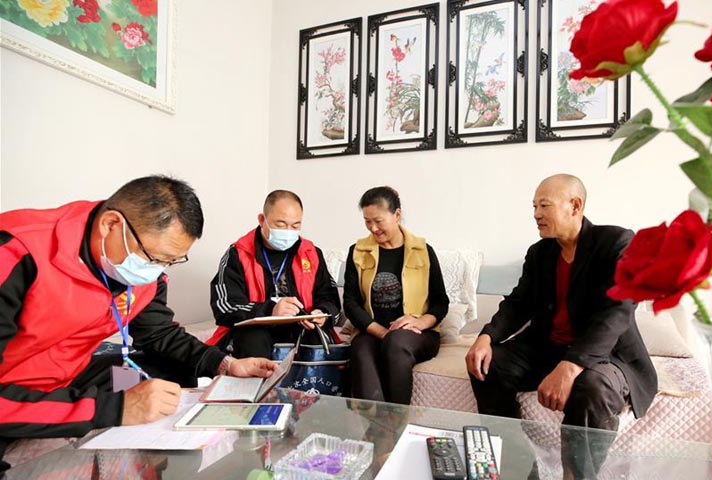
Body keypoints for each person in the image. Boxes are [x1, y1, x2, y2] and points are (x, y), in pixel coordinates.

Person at [0, 176, 278, 470]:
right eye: (155, 259)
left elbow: (159, 333)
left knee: (166, 373)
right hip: (11, 388)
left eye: (171, 261)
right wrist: (118, 409)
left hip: (66, 373)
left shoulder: (139, 271)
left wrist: (225, 364)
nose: (157, 271)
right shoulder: (16, 253)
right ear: (111, 224)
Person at [465, 174, 657, 478]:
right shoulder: (540, 253)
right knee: (488, 366)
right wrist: (486, 336)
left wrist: (571, 366)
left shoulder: (616, 242)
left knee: (592, 388)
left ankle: (575, 475)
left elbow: (617, 312)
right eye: (534, 207)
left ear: (575, 206)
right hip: (546, 346)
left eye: (544, 205)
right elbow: (518, 303)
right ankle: (518, 469)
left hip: (605, 354)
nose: (536, 214)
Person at [343, 186, 449, 405]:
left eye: (378, 221)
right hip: (371, 330)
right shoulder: (358, 251)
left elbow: (440, 302)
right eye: (367, 221)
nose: (373, 228)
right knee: (361, 350)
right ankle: (377, 423)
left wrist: (420, 322)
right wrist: (381, 332)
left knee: (396, 342)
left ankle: (397, 418)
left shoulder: (423, 251)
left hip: (418, 333)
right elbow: (351, 303)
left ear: (397, 214)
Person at [207, 190, 341, 358]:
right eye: (281, 224)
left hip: (302, 327)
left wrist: (321, 313)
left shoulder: (311, 253)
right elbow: (224, 307)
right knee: (253, 338)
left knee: (314, 338)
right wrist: (270, 309)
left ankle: (309, 376)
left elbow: (330, 298)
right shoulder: (238, 254)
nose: (288, 231)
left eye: (295, 226)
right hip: (255, 331)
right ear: (262, 220)